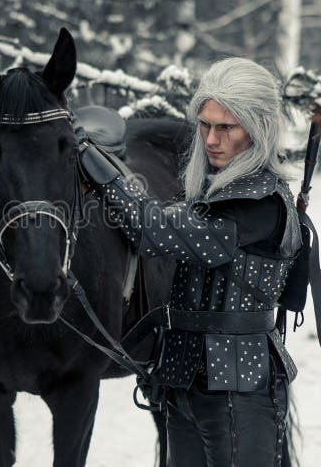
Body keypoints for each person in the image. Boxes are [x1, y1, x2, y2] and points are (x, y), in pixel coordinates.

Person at [78, 57, 305, 467]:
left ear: (258, 129)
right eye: (204, 124)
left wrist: (92, 160)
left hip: (238, 388)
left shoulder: (258, 206)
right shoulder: (212, 194)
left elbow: (152, 231)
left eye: (226, 127)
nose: (211, 139)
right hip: (183, 381)